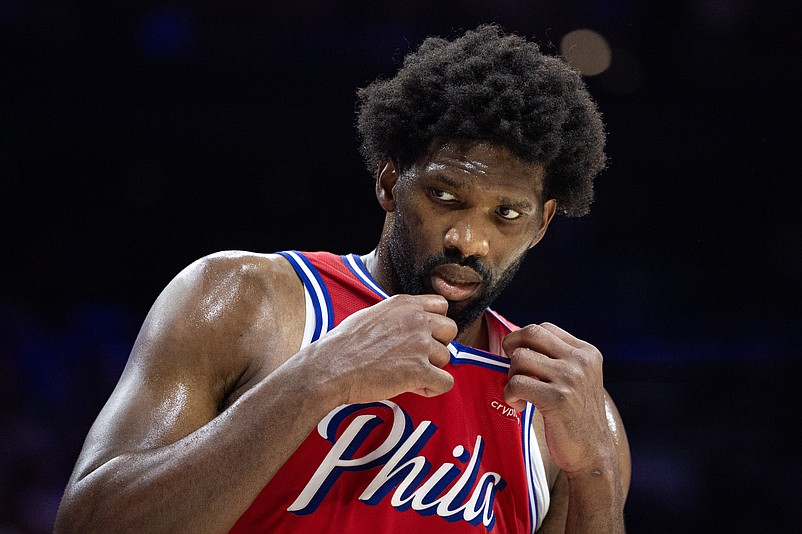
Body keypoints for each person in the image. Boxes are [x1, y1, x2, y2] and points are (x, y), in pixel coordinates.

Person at [55, 24, 630, 533]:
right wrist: (316, 379)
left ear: (541, 225)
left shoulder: (562, 401)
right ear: (388, 184)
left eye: (506, 215)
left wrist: (597, 473)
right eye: (444, 196)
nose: (468, 240)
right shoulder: (244, 297)